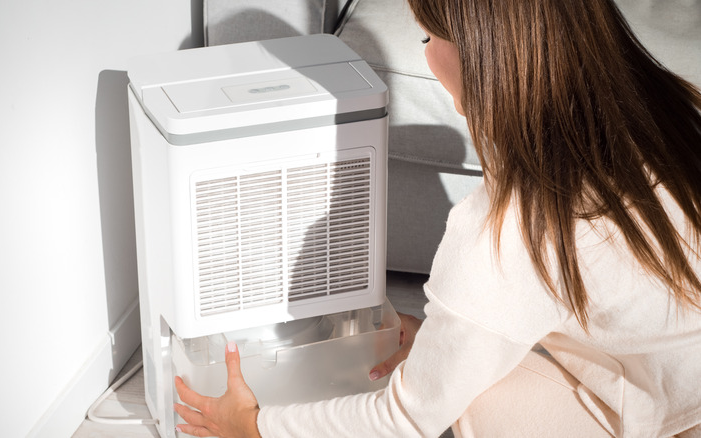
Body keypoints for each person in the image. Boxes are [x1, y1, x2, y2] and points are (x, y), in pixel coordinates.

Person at [173, 0, 701, 436]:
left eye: (428, 39)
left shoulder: (511, 228)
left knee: (477, 402)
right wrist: (449, 336)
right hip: (674, 377)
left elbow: (407, 415)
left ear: (482, 52)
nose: (427, 57)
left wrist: (254, 426)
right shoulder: (676, 101)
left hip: (672, 412)